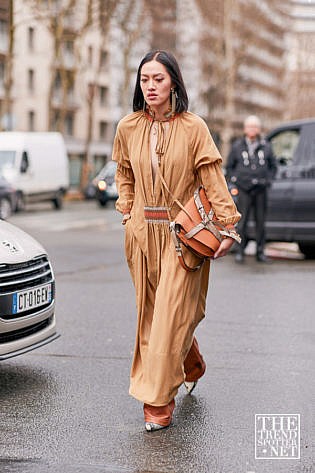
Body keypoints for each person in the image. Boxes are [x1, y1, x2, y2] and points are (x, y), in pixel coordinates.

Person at [113, 50, 241, 432]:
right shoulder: (128, 127)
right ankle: (190, 362)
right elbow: (124, 173)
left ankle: (157, 400)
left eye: (159, 79)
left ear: (174, 83)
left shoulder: (194, 127)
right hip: (140, 235)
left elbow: (212, 180)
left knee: (170, 317)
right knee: (152, 318)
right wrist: (126, 211)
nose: (151, 87)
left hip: (181, 237)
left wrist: (228, 224)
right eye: (145, 80)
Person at [226, 115, 277, 263]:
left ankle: (260, 252)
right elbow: (230, 167)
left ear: (259, 129)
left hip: (261, 189)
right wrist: (235, 180)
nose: (252, 129)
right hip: (243, 189)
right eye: (249, 127)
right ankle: (240, 251)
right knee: (242, 221)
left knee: (261, 222)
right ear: (245, 129)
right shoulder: (237, 146)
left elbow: (273, 166)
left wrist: (268, 181)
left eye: (255, 127)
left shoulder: (266, 145)